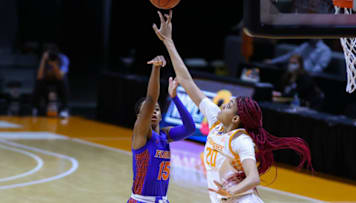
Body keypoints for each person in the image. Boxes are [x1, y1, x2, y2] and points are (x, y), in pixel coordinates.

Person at [153, 11, 313, 203]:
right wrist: (168, 41)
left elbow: (253, 178)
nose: (222, 106)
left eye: (228, 106)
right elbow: (186, 81)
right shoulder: (215, 122)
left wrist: (230, 192)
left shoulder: (241, 141)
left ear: (236, 119)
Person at [128, 55, 196, 203]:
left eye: (157, 110)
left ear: (161, 116)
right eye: (148, 110)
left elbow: (190, 128)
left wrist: (175, 98)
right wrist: (156, 68)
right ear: (140, 117)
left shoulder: (165, 136)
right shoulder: (141, 134)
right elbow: (151, 99)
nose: (153, 112)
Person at [32, 44, 70, 118]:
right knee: (39, 82)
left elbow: (60, 76)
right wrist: (43, 60)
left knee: (64, 80)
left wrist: (54, 64)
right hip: (46, 81)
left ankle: (64, 109)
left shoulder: (63, 59)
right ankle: (35, 107)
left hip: (58, 80)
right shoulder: (44, 59)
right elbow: (39, 77)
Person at [266, 39, 332, 73]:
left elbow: (319, 67)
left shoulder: (325, 50)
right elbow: (290, 55)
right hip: (297, 74)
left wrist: (307, 74)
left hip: (311, 77)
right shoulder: (305, 45)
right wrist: (272, 61)